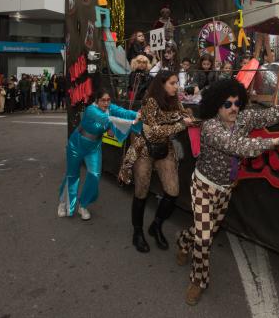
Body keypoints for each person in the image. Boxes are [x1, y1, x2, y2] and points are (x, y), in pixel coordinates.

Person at [176, 78, 279, 305]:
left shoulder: (244, 117)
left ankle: (183, 242)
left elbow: (274, 114)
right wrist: (276, 141)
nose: (233, 108)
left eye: (236, 103)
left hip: (225, 190)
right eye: (227, 104)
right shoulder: (211, 128)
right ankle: (198, 281)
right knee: (204, 239)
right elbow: (241, 147)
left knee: (203, 231)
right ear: (216, 106)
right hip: (204, 187)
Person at [119, 71, 193, 254]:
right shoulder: (150, 101)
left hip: (164, 149)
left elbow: (186, 116)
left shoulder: (176, 100)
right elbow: (153, 132)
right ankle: (137, 232)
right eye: (173, 83)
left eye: (177, 83)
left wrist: (199, 119)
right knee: (141, 190)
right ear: (162, 84)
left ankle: (156, 226)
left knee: (173, 191)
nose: (176, 86)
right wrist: (181, 124)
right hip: (144, 149)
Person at [57, 89, 141, 220]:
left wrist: (139, 114)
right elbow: (108, 119)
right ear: (97, 100)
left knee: (95, 176)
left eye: (108, 100)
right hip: (76, 145)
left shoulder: (110, 108)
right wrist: (132, 122)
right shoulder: (91, 110)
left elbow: (124, 112)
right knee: (72, 174)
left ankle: (83, 205)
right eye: (103, 100)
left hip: (94, 147)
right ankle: (64, 203)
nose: (106, 103)